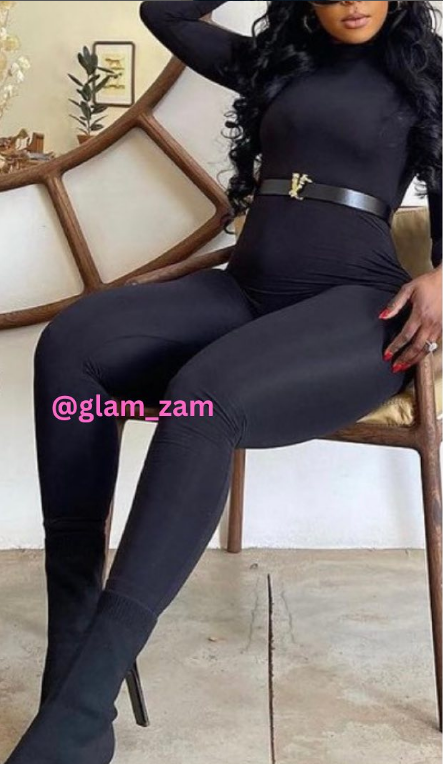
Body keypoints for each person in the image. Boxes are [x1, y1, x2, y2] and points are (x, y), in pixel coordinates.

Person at [4, 1, 442, 762]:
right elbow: (165, 12)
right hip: (243, 290)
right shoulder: (277, 63)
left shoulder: (424, 72)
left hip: (357, 308)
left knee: (201, 399)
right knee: (73, 345)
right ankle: (71, 656)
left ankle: (78, 713)